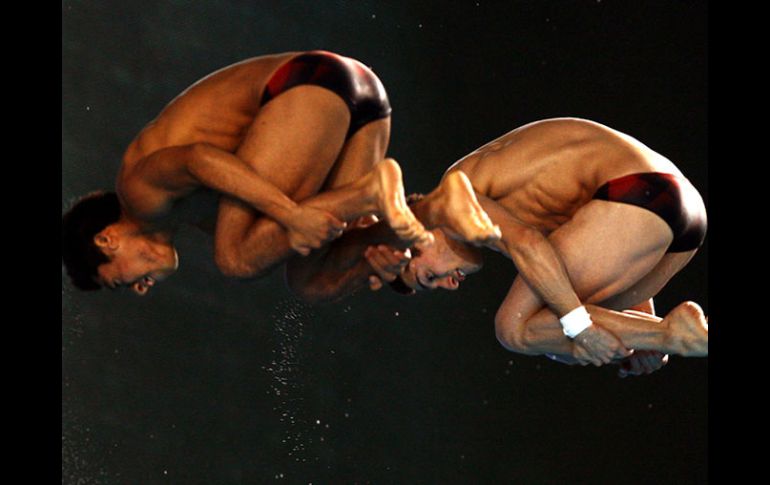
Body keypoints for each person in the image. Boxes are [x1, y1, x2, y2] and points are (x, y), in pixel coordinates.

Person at [287, 118, 708, 375]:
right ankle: (675, 335)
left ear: (419, 234)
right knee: (554, 336)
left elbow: (528, 245)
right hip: (679, 210)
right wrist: (643, 339)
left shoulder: (453, 200)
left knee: (516, 327)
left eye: (429, 275)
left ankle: (677, 334)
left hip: (637, 194)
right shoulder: (495, 214)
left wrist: (592, 328)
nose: (451, 284)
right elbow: (611, 247)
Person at [62, 50, 502, 295]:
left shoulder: (137, 193)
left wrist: (290, 215)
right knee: (311, 281)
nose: (140, 290)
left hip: (306, 84)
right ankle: (432, 209)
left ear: (107, 239)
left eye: (119, 283)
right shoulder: (192, 215)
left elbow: (200, 158)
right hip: (360, 94)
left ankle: (373, 190)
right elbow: (320, 224)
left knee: (234, 258)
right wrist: (375, 254)